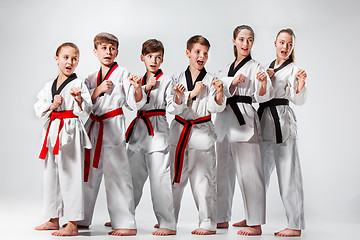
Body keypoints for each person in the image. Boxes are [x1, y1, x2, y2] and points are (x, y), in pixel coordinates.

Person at [79, 32, 144, 236]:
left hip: (113, 126)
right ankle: (81, 219)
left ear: (117, 52)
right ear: (95, 51)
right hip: (94, 127)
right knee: (87, 174)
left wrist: (136, 87)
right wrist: (97, 90)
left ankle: (125, 223)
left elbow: (133, 103)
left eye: (112, 48)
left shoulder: (123, 73)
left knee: (118, 174)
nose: (108, 51)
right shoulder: (90, 78)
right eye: (103, 47)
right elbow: (82, 105)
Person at [215, 25, 272, 236]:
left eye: (249, 40)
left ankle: (255, 222)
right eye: (241, 39)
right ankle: (221, 218)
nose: (245, 44)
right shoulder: (224, 68)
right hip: (223, 121)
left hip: (244, 119)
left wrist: (264, 83)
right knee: (222, 171)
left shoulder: (257, 67)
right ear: (234, 41)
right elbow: (216, 84)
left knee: (249, 173)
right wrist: (231, 81)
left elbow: (263, 95)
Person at [126, 39, 185, 236]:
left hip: (157, 130)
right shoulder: (137, 80)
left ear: (162, 60)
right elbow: (133, 104)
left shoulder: (167, 80)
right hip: (138, 132)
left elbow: (173, 107)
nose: (154, 60)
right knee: (131, 178)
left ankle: (167, 223)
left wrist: (177, 96)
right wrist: (141, 88)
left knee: (159, 179)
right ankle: (124, 218)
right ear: (142, 57)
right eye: (150, 56)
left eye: (158, 57)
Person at [34, 42, 92, 236]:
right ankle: (53, 218)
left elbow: (87, 109)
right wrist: (52, 105)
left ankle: (73, 222)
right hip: (53, 131)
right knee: (51, 174)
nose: (70, 62)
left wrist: (78, 99)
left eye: (74, 59)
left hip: (70, 131)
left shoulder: (78, 84)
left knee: (71, 174)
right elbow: (39, 108)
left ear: (78, 62)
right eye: (66, 57)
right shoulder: (48, 85)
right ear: (56, 59)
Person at [170, 35, 225, 235]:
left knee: (203, 178)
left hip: (202, 132)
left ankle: (207, 222)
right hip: (179, 130)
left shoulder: (211, 80)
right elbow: (172, 107)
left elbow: (214, 106)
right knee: (174, 178)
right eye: (197, 52)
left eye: (205, 53)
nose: (201, 56)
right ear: (188, 53)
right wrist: (189, 93)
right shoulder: (176, 78)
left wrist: (218, 92)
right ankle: (169, 221)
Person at [259, 28, 307, 237]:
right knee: (258, 174)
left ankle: (294, 225)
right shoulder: (269, 67)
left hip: (282, 123)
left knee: (289, 174)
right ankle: (254, 218)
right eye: (282, 42)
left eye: (289, 44)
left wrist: (301, 84)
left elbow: (298, 99)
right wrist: (264, 79)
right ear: (275, 43)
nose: (285, 47)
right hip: (264, 122)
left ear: (292, 47)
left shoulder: (294, 69)